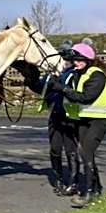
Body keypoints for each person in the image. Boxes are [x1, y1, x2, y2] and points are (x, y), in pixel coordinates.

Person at [41, 42, 106, 208]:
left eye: (79, 60)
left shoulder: (97, 75)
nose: (76, 63)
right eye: (74, 60)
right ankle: (97, 188)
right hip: (82, 120)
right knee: (88, 155)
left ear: (88, 59)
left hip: (97, 121)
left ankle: (88, 193)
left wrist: (63, 89)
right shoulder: (79, 73)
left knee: (85, 152)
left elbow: (86, 97)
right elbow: (72, 94)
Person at [20, 40, 80, 196]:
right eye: (62, 57)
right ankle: (59, 180)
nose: (64, 61)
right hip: (54, 116)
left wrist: (60, 86)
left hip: (69, 116)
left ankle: (73, 182)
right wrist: (31, 81)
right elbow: (42, 89)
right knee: (55, 149)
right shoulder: (51, 75)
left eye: (66, 58)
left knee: (71, 150)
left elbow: (75, 92)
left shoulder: (75, 73)